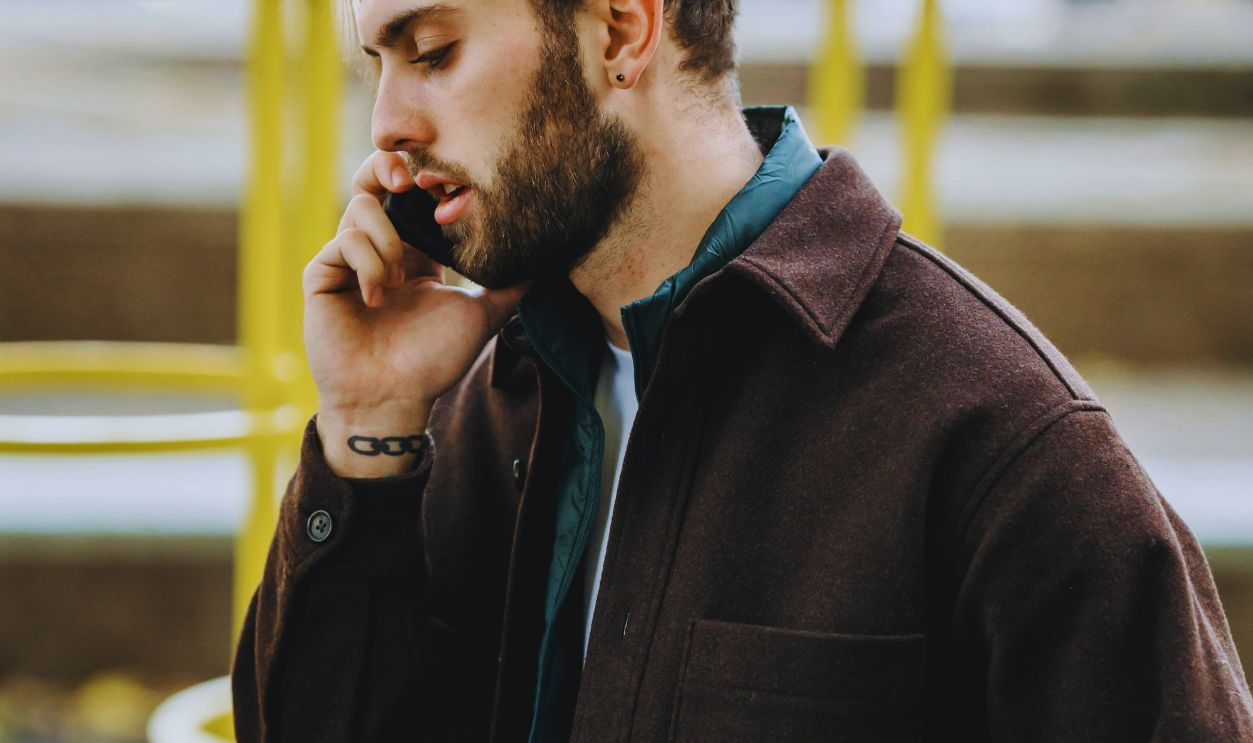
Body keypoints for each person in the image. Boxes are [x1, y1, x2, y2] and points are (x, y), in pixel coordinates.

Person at [230, 0, 1253, 739]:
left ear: (622, 31)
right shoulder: (486, 392)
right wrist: (370, 426)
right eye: (378, 63)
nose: (386, 128)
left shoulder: (996, 438)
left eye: (433, 50)